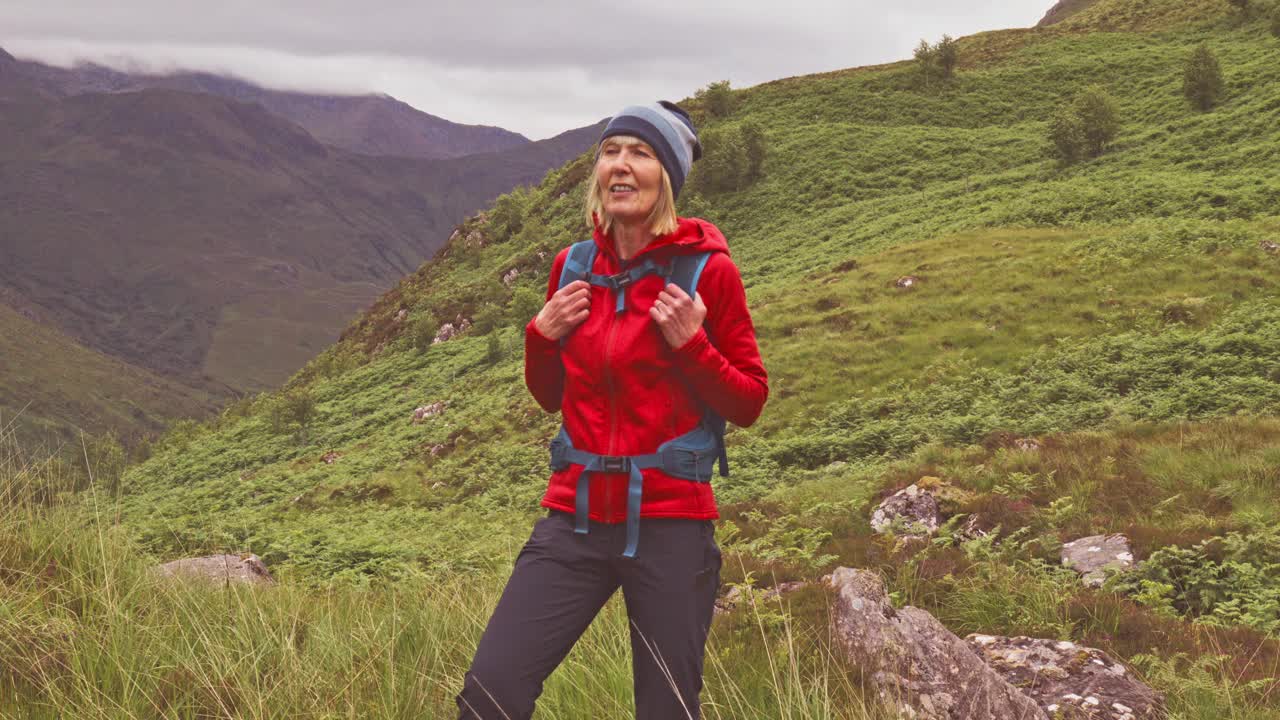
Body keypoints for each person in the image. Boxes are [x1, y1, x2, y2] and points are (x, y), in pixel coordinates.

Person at [456, 100, 768, 720]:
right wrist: (541, 334)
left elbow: (749, 400)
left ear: (668, 178)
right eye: (611, 151)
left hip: (671, 522)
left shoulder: (708, 272)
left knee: (666, 711)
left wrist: (693, 346)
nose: (621, 166)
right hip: (573, 517)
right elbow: (552, 397)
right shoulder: (573, 267)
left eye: (641, 153)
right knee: (490, 695)